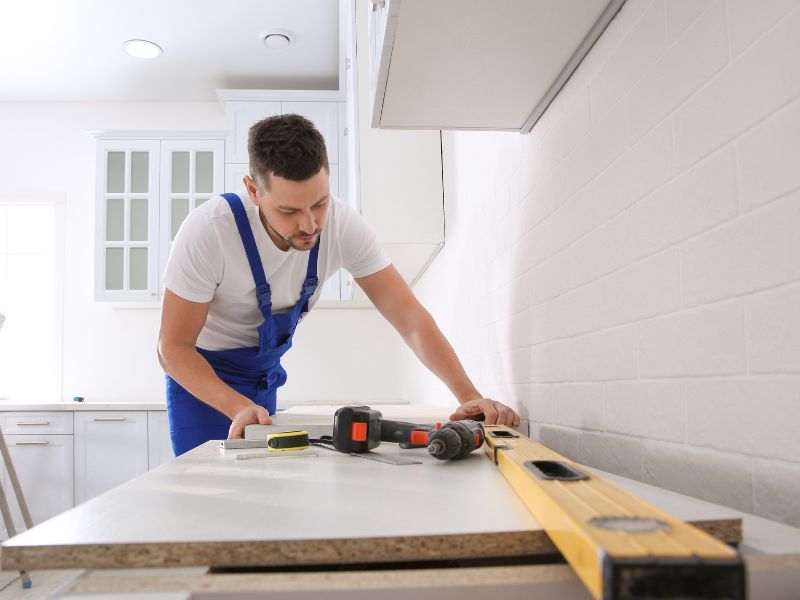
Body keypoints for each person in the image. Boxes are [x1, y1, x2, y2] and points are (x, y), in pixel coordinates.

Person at [157, 114, 520, 455]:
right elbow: (172, 348)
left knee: (259, 494)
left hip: (262, 381)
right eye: (289, 211)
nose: (310, 224)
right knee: (205, 499)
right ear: (254, 191)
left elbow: (410, 319)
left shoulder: (345, 227)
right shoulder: (209, 232)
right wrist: (235, 405)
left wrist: (468, 395)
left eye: (320, 203)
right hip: (200, 380)